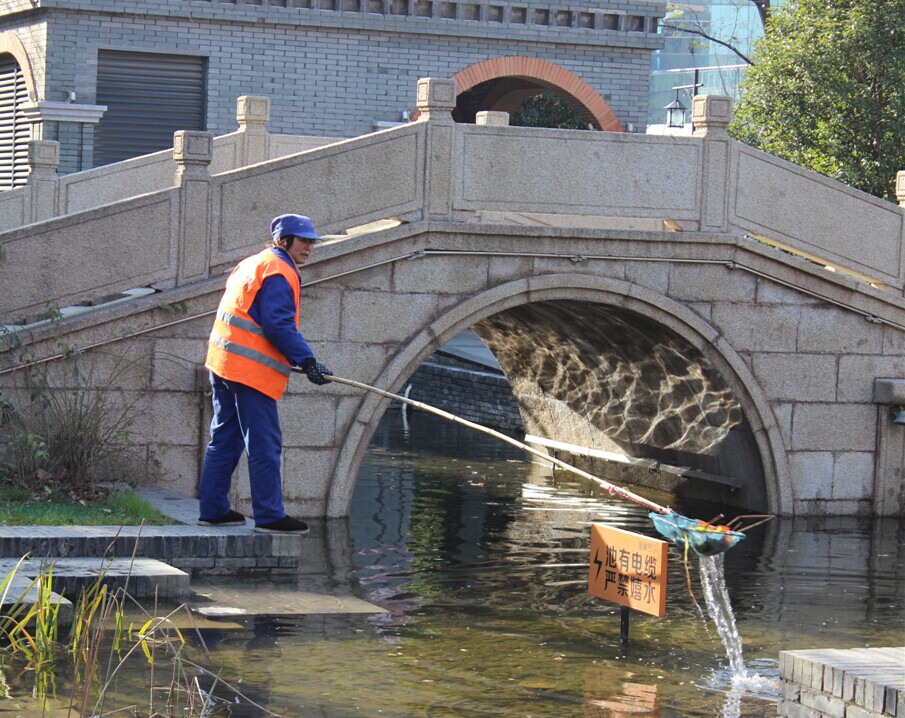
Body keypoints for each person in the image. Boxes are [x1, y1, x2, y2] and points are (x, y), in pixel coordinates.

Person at [198, 213, 333, 534]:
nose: (309, 247)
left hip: (223, 363)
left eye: (312, 241)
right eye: (303, 240)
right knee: (264, 445)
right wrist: (308, 361)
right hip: (249, 370)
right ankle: (270, 516)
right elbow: (277, 324)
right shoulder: (280, 271)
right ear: (283, 240)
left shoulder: (255, 263)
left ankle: (213, 510)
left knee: (225, 438)